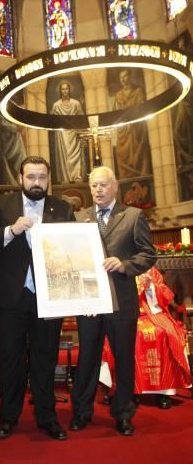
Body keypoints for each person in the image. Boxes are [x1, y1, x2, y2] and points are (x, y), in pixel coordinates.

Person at [0, 156, 75, 441]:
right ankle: (8, 417)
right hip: (11, 296)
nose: (36, 182)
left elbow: (74, 249)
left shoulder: (63, 208)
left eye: (42, 177)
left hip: (50, 296)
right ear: (20, 178)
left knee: (45, 359)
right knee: (10, 359)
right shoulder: (2, 204)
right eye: (31, 177)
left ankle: (47, 417)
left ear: (49, 179)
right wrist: (12, 230)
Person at [70, 166, 156, 436]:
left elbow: (148, 254)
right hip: (89, 302)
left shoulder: (132, 216)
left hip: (122, 300)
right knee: (87, 358)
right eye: (94, 185)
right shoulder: (78, 218)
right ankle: (81, 412)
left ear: (115, 186)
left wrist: (124, 264)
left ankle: (123, 413)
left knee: (123, 358)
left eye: (103, 185)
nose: (98, 190)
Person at [101, 267, 191, 408]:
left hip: (153, 313)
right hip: (126, 314)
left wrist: (150, 286)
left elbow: (163, 298)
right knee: (131, 335)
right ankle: (130, 390)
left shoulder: (150, 270)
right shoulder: (116, 267)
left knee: (163, 333)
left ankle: (164, 391)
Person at [112, 69, 152, 180]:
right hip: (123, 129)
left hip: (135, 127)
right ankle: (125, 177)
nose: (123, 80)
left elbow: (141, 108)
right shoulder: (118, 95)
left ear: (129, 77)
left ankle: (140, 173)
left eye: (125, 76)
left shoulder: (138, 91)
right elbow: (116, 113)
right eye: (121, 78)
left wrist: (131, 116)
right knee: (120, 151)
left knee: (137, 144)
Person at [50, 80, 85, 184]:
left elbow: (82, 118)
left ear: (69, 90)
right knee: (64, 155)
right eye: (63, 89)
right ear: (60, 91)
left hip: (74, 132)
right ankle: (65, 177)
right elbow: (53, 120)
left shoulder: (76, 103)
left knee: (76, 154)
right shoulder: (56, 105)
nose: (65, 91)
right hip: (62, 134)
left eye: (66, 88)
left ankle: (77, 176)